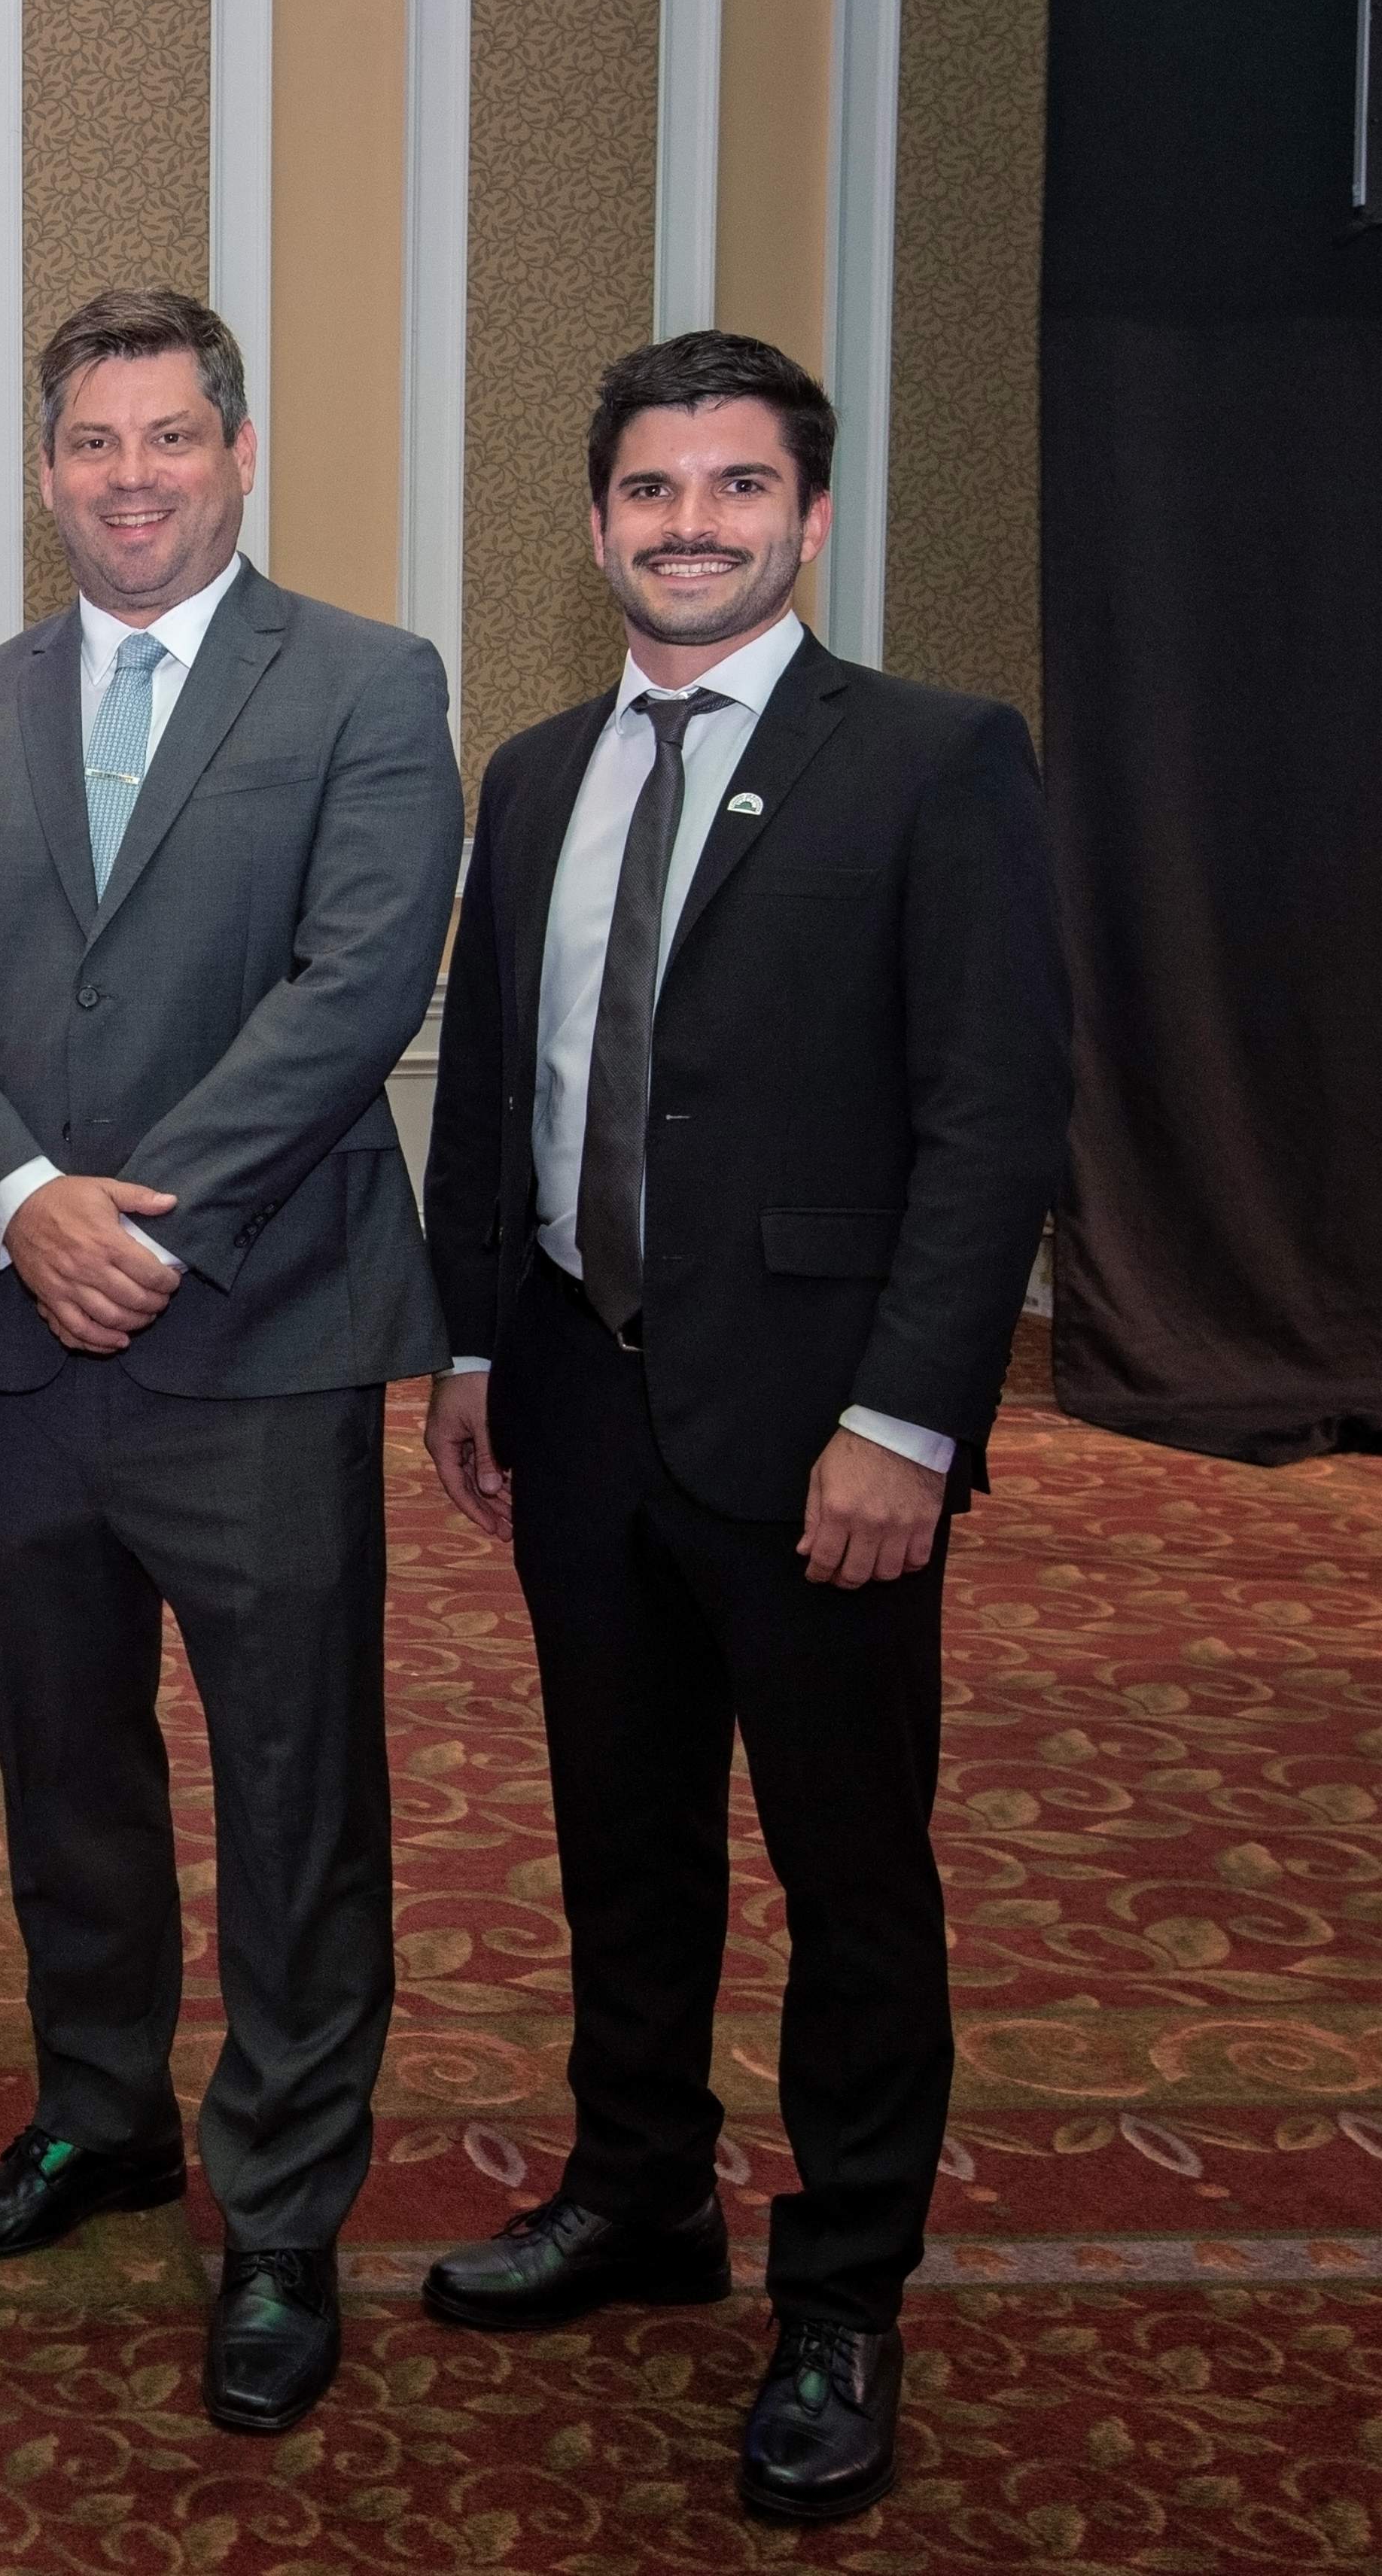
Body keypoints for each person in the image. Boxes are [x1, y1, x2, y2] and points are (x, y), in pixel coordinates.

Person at [416, 332, 1069, 2523]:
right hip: (580, 1412)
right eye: (646, 488)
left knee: (848, 1873)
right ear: (592, 518)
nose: (683, 521)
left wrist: (906, 1417)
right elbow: (502, 1086)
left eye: (731, 485)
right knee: (617, 1840)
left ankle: (843, 2291)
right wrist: (477, 1348)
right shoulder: (527, 773)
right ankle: (637, 2199)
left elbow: (987, 1122)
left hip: (821, 1439)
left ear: (804, 514)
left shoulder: (931, 758)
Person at [0, 284, 463, 2435]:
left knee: (293, 1795)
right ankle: (95, 2111)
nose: (128, 478)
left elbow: (350, 986)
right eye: (90, 445)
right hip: (20, 1341)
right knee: (63, 1772)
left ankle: (283, 2214)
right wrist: (22, 1201)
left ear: (235, 454)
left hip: (254, 1331)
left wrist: (134, 1220)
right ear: (42, 475)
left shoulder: (369, 686)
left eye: (167, 440)